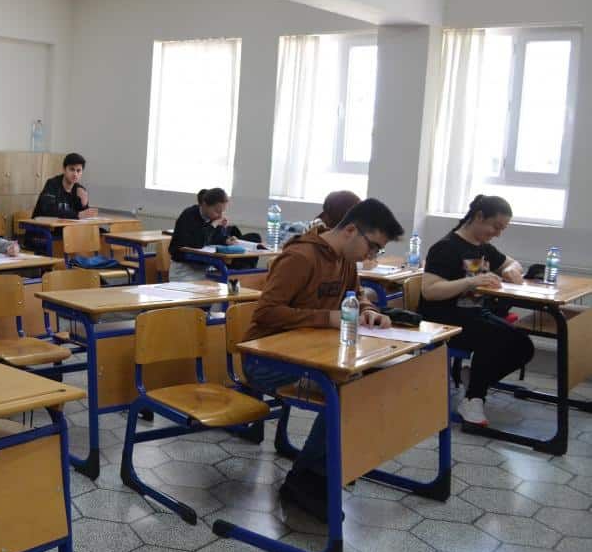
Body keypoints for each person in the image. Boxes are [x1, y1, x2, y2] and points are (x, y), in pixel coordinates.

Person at [244, 198, 404, 521]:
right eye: (372, 247)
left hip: (313, 356)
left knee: (372, 381)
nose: (372, 256)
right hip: (266, 360)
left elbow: (356, 295)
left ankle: (316, 470)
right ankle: (307, 479)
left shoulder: (346, 260)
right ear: (350, 230)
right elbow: (266, 312)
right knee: (347, 391)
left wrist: (369, 311)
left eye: (378, 250)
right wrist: (327, 318)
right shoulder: (300, 257)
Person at [419, 194, 533, 427]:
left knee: (524, 346)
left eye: (502, 229)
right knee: (494, 339)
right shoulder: (446, 248)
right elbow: (429, 291)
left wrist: (511, 269)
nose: (497, 233)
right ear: (479, 217)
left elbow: (511, 262)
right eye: (495, 227)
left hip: (473, 316)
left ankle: (474, 381)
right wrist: (471, 282)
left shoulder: (483, 248)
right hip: (443, 319)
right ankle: (473, 398)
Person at [168, 188, 239, 282]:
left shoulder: (214, 217)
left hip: (205, 268)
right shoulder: (189, 215)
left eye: (222, 211)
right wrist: (213, 225)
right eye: (217, 211)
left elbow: (215, 238)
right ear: (204, 205)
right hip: (184, 270)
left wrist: (226, 240)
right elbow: (198, 243)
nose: (220, 216)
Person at [32, 152, 97, 219]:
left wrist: (84, 205)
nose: (75, 174)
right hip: (41, 224)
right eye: (72, 169)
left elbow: (83, 216)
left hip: (66, 224)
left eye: (78, 171)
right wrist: (76, 215)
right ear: (64, 169)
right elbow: (47, 210)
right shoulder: (52, 184)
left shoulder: (80, 190)